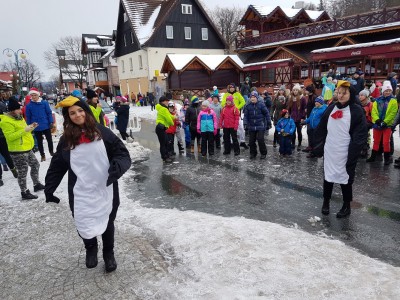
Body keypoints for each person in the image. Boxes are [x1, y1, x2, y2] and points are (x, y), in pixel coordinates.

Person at [45, 95, 131, 272]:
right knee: (83, 221)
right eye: (72, 113)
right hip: (80, 190)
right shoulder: (66, 139)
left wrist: (118, 166)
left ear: (86, 111)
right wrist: (49, 189)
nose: (77, 115)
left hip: (104, 187)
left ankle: (109, 253)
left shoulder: (102, 132)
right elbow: (57, 165)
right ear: (68, 117)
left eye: (80, 110)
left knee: (107, 221)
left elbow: (122, 153)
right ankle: (91, 249)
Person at [312, 81, 367, 218]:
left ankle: (346, 205)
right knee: (328, 177)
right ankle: (326, 202)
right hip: (330, 150)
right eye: (339, 92)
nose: (341, 95)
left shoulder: (356, 111)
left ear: (351, 94)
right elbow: (322, 128)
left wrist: (353, 154)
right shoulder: (331, 108)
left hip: (345, 151)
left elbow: (360, 136)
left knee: (345, 179)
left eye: (344, 93)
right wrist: (317, 146)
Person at [0, 97, 44, 199]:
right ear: (12, 110)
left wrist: (31, 127)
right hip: (17, 150)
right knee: (23, 171)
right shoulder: (5, 121)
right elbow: (10, 137)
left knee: (35, 165)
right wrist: (25, 129)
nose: (21, 111)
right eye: (18, 109)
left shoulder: (19, 117)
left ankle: (36, 184)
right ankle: (24, 192)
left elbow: (24, 130)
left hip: (27, 147)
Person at [366, 81, 398, 165]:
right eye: (386, 91)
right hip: (377, 124)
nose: (387, 92)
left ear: (391, 91)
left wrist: (385, 122)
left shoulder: (393, 101)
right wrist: (377, 120)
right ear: (383, 91)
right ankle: (373, 157)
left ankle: (387, 158)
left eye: (389, 91)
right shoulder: (377, 100)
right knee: (376, 141)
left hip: (387, 125)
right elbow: (374, 111)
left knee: (386, 142)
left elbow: (393, 112)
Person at [25, 87, 55, 162]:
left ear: (38, 95)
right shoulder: (29, 106)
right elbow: (28, 116)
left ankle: (51, 152)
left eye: (35, 95)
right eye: (32, 95)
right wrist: (30, 126)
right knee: (39, 142)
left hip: (45, 124)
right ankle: (42, 155)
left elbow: (49, 113)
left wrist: (51, 122)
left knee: (49, 140)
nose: (34, 97)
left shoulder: (44, 103)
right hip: (36, 126)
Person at [243, 91, 271, 160]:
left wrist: (269, 122)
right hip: (251, 126)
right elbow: (245, 116)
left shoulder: (261, 105)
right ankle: (253, 153)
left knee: (260, 139)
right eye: (251, 97)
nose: (253, 98)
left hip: (260, 125)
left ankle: (263, 153)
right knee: (251, 141)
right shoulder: (248, 106)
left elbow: (267, 114)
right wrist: (245, 123)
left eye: (254, 97)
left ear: (257, 98)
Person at [221, 83, 247, 149]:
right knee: (229, 130)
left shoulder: (238, 94)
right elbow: (223, 103)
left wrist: (237, 107)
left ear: (235, 88)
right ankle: (231, 143)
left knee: (241, 128)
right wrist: (226, 106)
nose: (232, 88)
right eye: (230, 87)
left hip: (236, 114)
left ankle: (242, 141)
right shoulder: (226, 95)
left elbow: (243, 101)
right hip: (228, 114)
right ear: (229, 88)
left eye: (233, 87)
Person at [155, 96, 175, 163]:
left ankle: (166, 155)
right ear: (163, 101)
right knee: (163, 144)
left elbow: (169, 115)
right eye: (167, 101)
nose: (168, 102)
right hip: (161, 128)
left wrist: (174, 117)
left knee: (166, 142)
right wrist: (172, 123)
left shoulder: (162, 108)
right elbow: (168, 119)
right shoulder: (164, 109)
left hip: (161, 128)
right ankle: (164, 157)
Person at [287, 84, 307, 151]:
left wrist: (303, 117)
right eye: (294, 90)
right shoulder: (291, 98)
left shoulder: (302, 98)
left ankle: (299, 144)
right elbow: (289, 108)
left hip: (299, 117)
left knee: (299, 131)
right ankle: (293, 143)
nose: (295, 91)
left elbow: (304, 108)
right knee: (293, 131)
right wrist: (289, 115)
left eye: (296, 90)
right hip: (292, 118)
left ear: (299, 91)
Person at [302, 84, 317, 152]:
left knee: (312, 132)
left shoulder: (314, 97)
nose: (305, 91)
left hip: (312, 118)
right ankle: (310, 146)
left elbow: (315, 108)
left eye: (306, 90)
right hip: (309, 117)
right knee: (309, 132)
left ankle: (313, 147)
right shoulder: (310, 97)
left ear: (309, 91)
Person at [359, 90, 373, 158]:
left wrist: (371, 123)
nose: (360, 97)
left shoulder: (370, 104)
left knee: (366, 136)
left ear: (366, 96)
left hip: (368, 123)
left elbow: (372, 114)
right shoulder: (359, 104)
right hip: (360, 123)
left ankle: (365, 149)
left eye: (362, 95)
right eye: (360, 95)